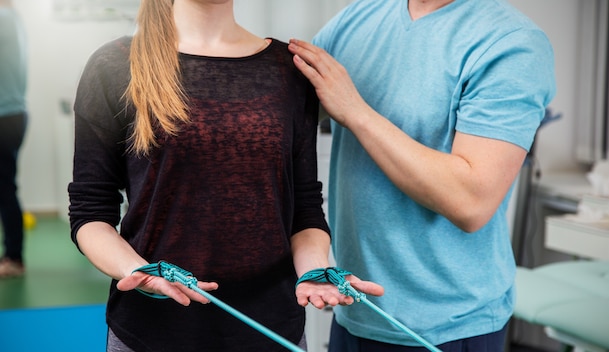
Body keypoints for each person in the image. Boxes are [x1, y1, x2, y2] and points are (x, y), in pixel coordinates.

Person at [68, 1, 382, 351]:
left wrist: (315, 270)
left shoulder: (288, 69)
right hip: (152, 332)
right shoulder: (114, 65)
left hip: (272, 330)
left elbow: (304, 209)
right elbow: (91, 213)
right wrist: (138, 272)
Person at [288, 0, 557, 351]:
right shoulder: (359, 17)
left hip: (448, 327)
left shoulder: (511, 42)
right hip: (355, 310)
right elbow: (284, 105)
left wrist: (355, 111)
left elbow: (470, 201)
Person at [0, 0, 28, 278]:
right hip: (13, 114)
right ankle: (12, 255)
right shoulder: (13, 19)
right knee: (5, 188)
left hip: (4, 117)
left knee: (5, 189)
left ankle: (13, 257)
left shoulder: (3, 19)